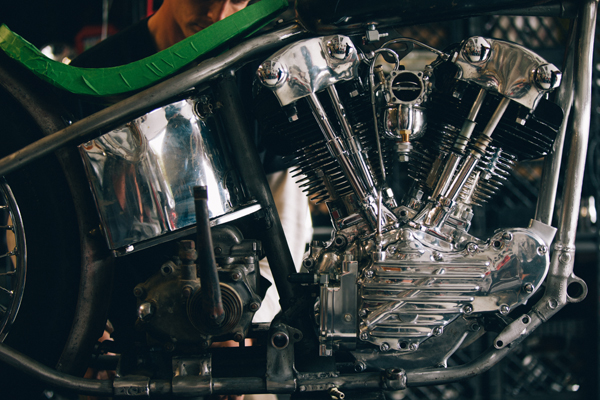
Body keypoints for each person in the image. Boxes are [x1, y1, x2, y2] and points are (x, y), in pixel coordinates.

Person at [73, 0, 312, 322]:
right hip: (122, 316)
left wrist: (256, 316)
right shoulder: (95, 76)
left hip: (234, 313)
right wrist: (85, 324)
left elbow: (286, 211)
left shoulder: (255, 74)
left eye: (236, 0)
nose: (218, 14)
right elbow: (56, 217)